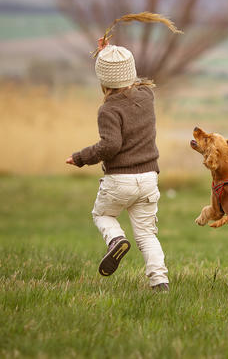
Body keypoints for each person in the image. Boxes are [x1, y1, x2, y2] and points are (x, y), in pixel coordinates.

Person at [66, 38, 169, 292]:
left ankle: (116, 240)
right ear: (131, 72)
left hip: (119, 180)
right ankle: (160, 281)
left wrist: (80, 158)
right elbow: (137, 80)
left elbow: (110, 146)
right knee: (146, 235)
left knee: (103, 214)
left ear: (102, 80)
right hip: (148, 179)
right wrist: (112, 54)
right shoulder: (147, 96)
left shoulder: (108, 110)